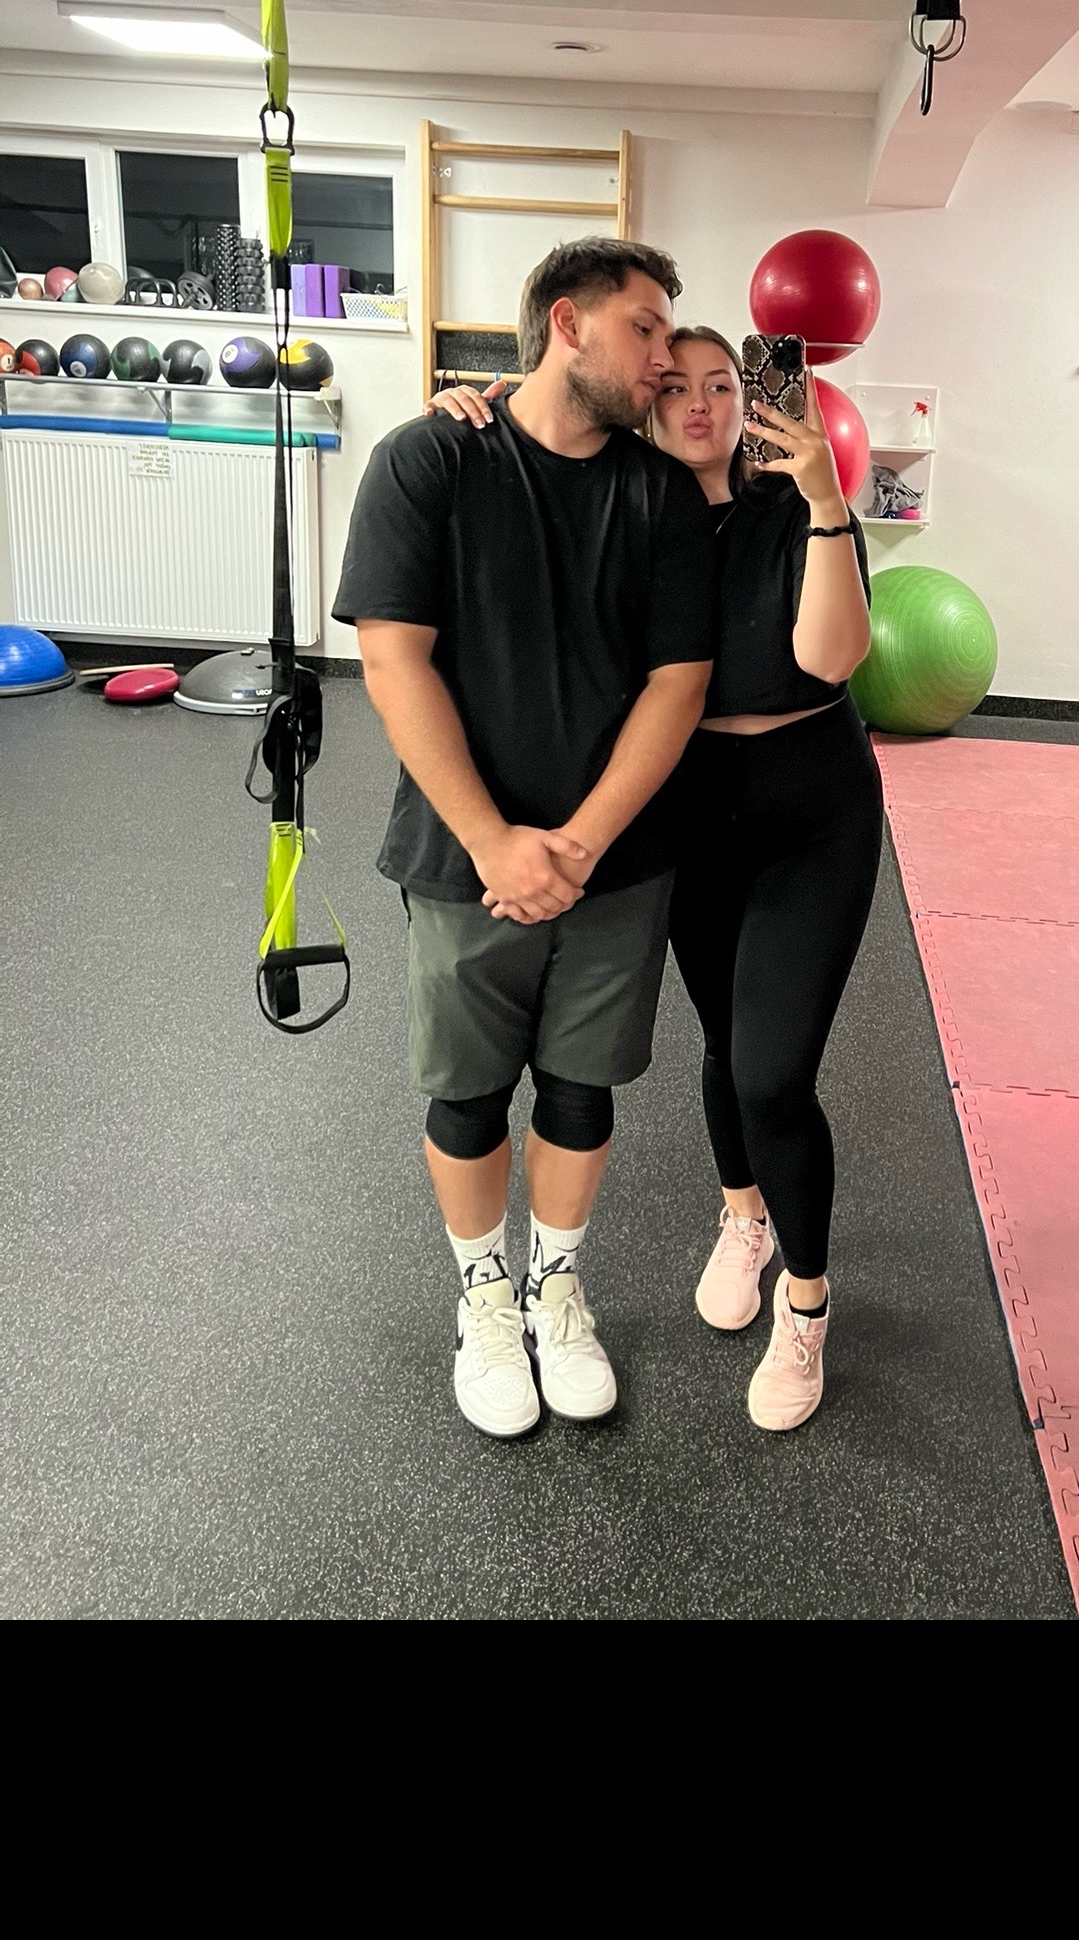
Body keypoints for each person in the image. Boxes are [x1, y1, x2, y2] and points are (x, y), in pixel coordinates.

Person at [433, 323, 880, 1432]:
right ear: (643, 401)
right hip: (692, 813)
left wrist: (825, 494)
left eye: (723, 385)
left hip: (812, 813)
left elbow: (829, 657)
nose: (701, 404)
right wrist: (470, 413)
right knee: (727, 1044)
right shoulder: (630, 508)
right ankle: (744, 1216)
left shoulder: (796, 506)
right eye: (674, 386)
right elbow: (537, 463)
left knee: (774, 1073)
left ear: (751, 398)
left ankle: (808, 1303)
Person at [335, 241, 715, 1440]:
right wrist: (495, 840)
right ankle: (483, 1297)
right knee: (468, 1089)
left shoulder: (661, 495)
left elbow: (679, 683)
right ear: (568, 323)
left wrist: (581, 845)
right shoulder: (431, 458)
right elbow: (391, 658)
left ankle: (556, 1286)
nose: (664, 359)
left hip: (615, 861)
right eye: (646, 329)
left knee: (580, 1084)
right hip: (465, 857)